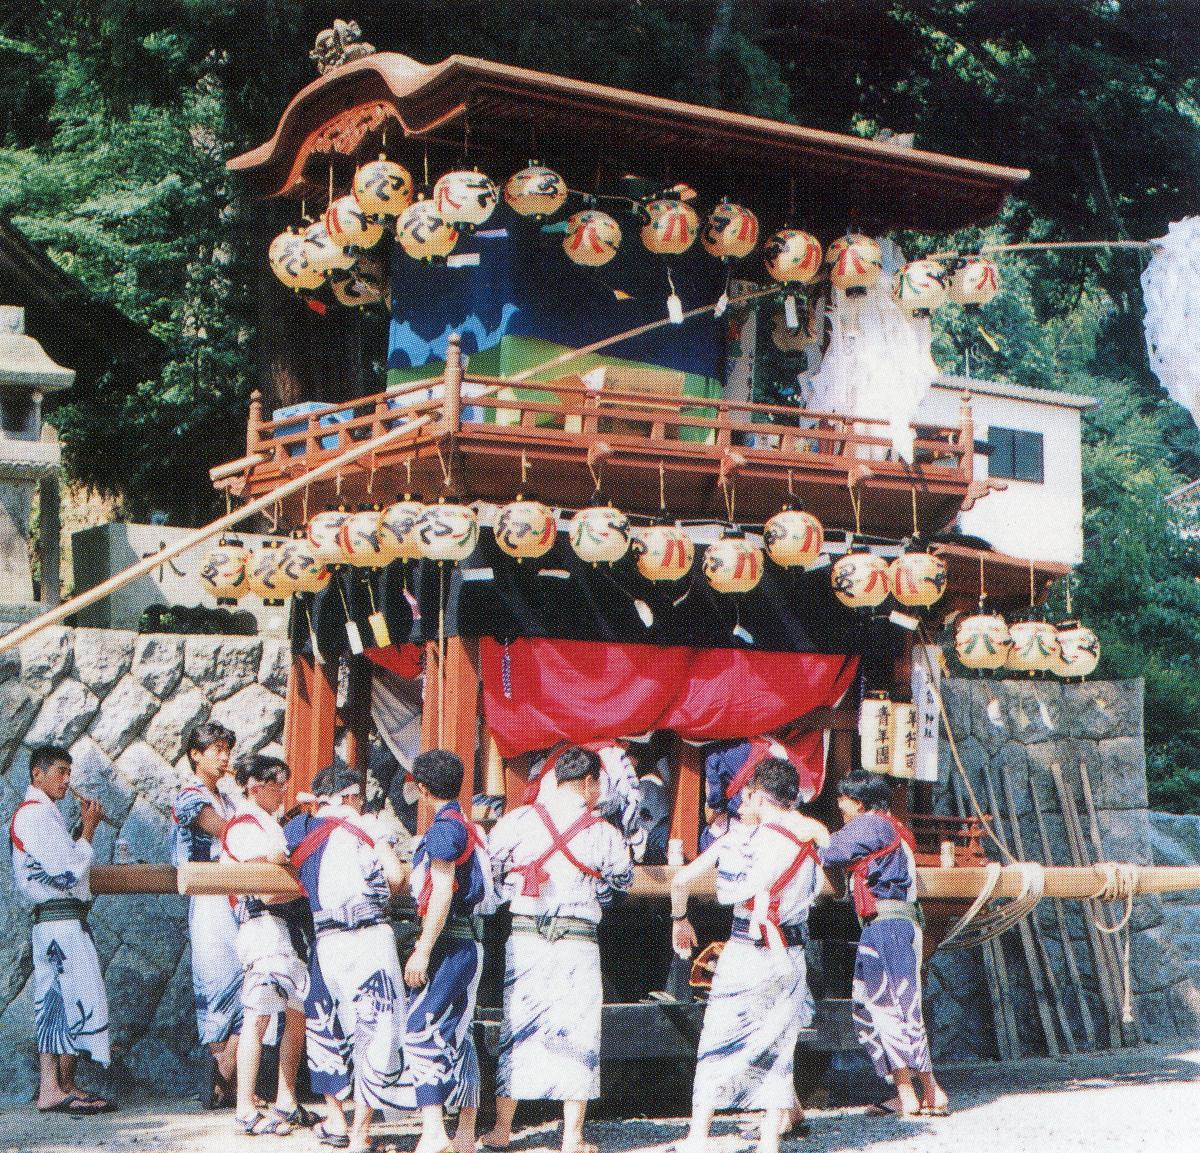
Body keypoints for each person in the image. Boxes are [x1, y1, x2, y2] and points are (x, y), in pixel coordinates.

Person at [480, 745, 634, 1153]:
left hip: (526, 937)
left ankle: (501, 1130)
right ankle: (572, 1137)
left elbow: (490, 870)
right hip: (577, 940)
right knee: (578, 1030)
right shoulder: (603, 832)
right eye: (598, 783)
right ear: (588, 783)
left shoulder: (516, 821)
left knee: (518, 1027)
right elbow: (621, 881)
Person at [670, 757, 827, 1153]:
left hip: (743, 951)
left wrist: (680, 919)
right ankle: (769, 1142)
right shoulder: (809, 842)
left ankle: (698, 1136)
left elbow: (682, 879)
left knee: (717, 1040)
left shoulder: (739, 840)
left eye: (745, 794)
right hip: (789, 954)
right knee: (780, 1047)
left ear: (759, 796)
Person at [284, 764, 407, 1153]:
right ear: (352, 797)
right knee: (378, 1027)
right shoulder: (368, 824)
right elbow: (395, 877)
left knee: (325, 1025)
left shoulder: (298, 830)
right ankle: (361, 1130)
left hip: (326, 939)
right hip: (370, 936)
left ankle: (335, 1118)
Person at [820, 769, 950, 1118]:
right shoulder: (890, 826)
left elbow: (830, 852)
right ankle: (915, 1091)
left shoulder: (871, 824)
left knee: (896, 1006)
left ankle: (923, 1092)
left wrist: (812, 832)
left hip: (889, 926)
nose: (840, 806)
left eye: (843, 799)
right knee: (875, 1006)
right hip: (886, 926)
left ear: (859, 803)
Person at [9, 745, 114, 1115]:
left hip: (63, 921)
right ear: (37, 774)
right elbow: (67, 871)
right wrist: (87, 830)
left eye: (69, 772)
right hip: (57, 923)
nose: (67, 780)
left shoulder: (43, 815)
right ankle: (51, 1088)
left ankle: (64, 1084)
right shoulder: (34, 815)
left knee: (68, 996)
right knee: (56, 998)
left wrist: (82, 833)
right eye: (59, 771)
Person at [402, 749, 495, 1153]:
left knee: (419, 1029)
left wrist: (422, 949)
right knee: (460, 1033)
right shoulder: (470, 827)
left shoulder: (443, 831)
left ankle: (434, 1130)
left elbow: (441, 893)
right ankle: (463, 1134)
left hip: (449, 942)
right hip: (470, 940)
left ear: (422, 788)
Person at [222, 754, 311, 1135]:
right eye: (277, 785)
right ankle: (244, 1104)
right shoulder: (243, 826)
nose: (282, 793)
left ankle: (286, 1099)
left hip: (288, 930)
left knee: (297, 1013)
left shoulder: (270, 824)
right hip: (261, 926)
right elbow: (262, 885)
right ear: (254, 786)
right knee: (257, 1018)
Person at [172, 720, 242, 1108]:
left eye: (226, 749)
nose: (223, 756)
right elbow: (223, 830)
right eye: (215, 749)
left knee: (247, 980)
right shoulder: (189, 796)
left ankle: (226, 1073)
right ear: (195, 755)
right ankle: (222, 1068)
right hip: (210, 896)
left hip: (236, 896)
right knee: (216, 981)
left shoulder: (229, 798)